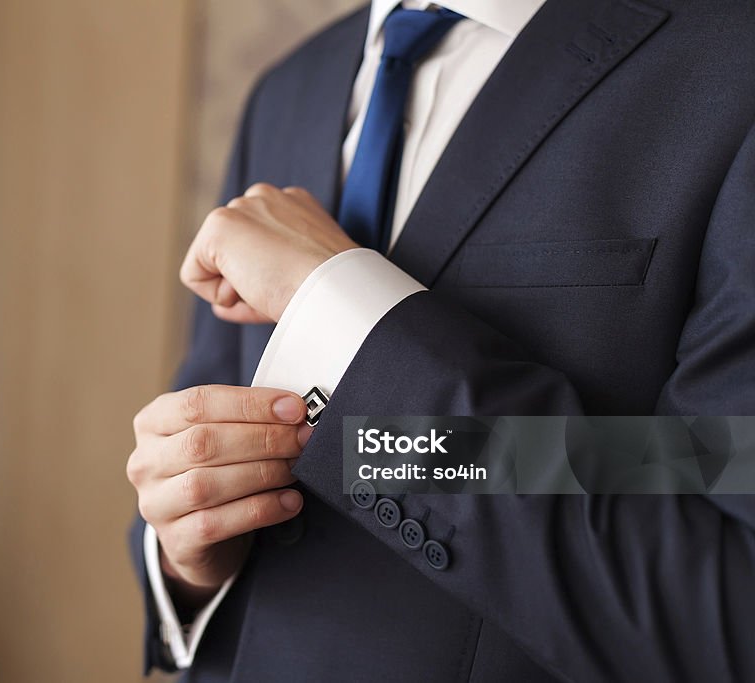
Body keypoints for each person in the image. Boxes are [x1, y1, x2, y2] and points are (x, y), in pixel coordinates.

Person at [126, 0, 755, 680]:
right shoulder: (288, 90)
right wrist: (183, 556)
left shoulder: (731, 64)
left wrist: (344, 311)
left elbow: (727, 589)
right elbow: (198, 453)